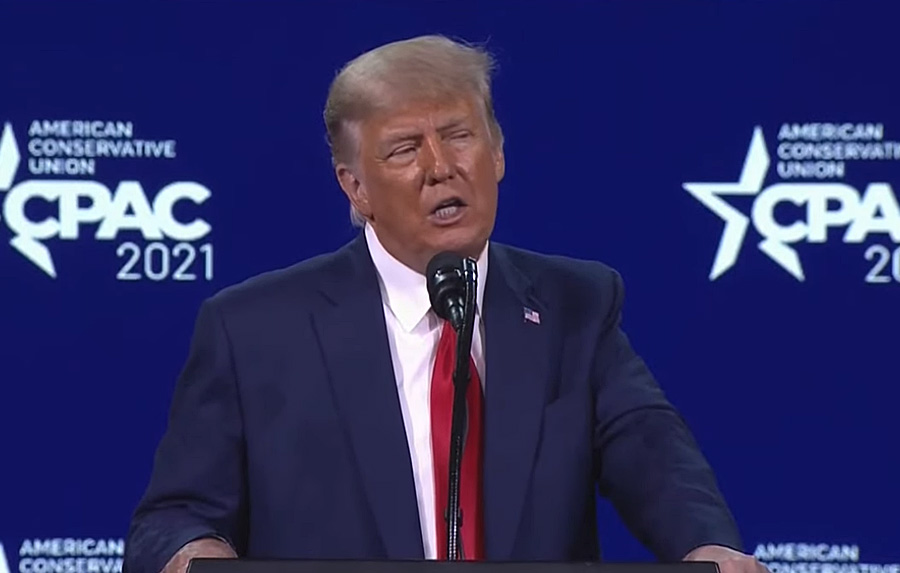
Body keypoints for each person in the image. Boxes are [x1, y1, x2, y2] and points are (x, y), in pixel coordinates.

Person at [124, 35, 767, 573]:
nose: (441, 167)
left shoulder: (577, 305)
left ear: (499, 154)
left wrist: (708, 546)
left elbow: (649, 447)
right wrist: (193, 554)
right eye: (405, 148)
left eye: (459, 136)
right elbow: (173, 516)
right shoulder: (254, 329)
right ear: (355, 187)